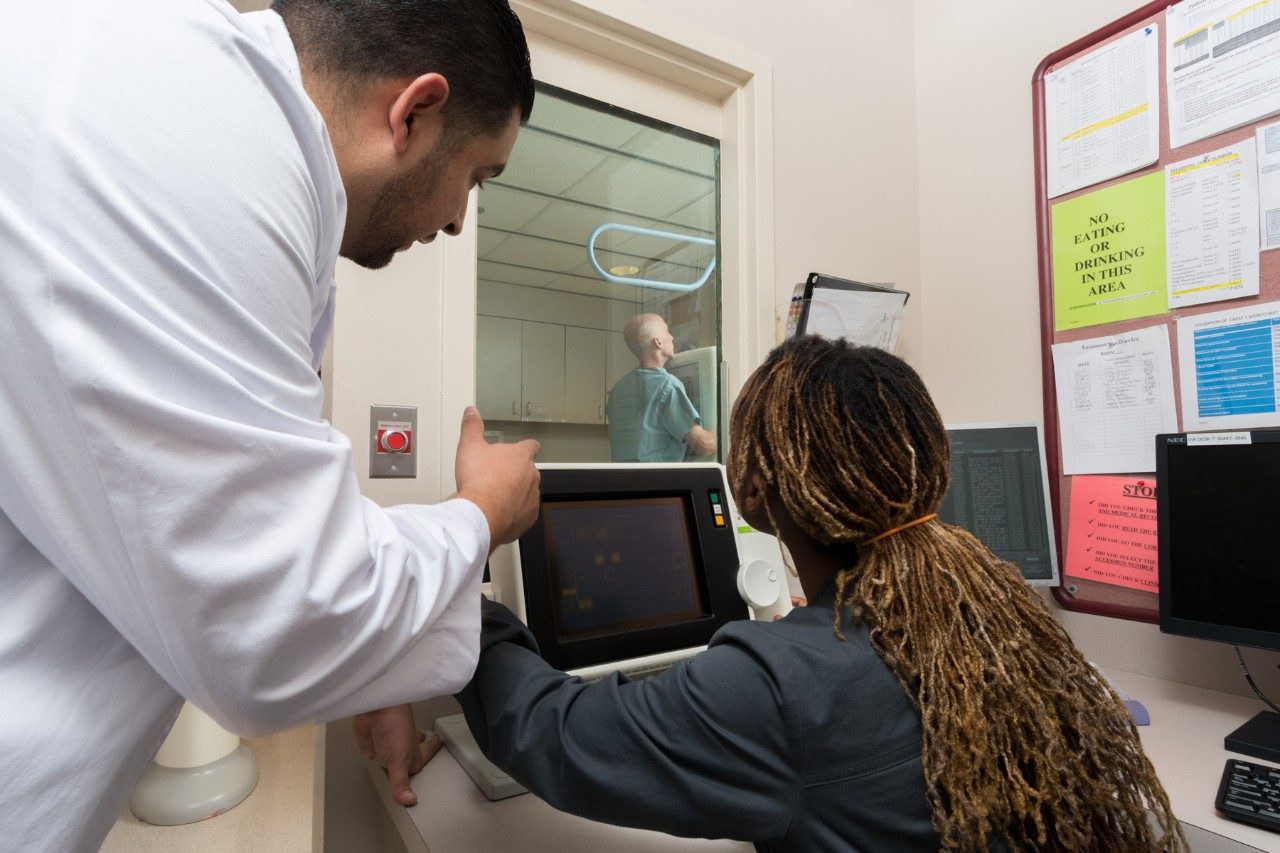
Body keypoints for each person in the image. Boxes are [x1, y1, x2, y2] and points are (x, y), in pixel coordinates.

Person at [0, 1, 539, 848]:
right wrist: (483, 513)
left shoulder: (192, 102)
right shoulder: (212, 150)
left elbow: (236, 510)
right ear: (414, 112)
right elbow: (277, 627)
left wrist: (370, 668)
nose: (456, 221)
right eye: (476, 177)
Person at [372, 336, 1186, 850]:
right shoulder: (999, 618)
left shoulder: (781, 684)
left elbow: (547, 730)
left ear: (754, 490)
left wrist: (465, 544)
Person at [605, 313, 716, 462]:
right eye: (667, 332)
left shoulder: (618, 389)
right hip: (658, 477)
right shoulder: (666, 385)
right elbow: (705, 444)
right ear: (658, 342)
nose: (672, 337)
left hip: (621, 477)